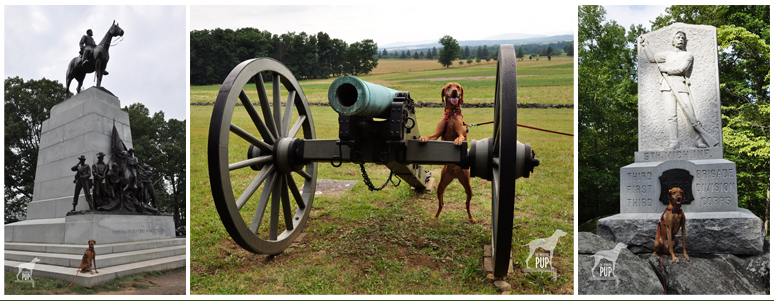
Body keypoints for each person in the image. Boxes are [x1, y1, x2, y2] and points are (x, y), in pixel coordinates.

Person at [639, 31, 716, 150]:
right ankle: (673, 142)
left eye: (682, 38)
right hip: (667, 87)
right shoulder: (668, 54)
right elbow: (652, 58)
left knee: (690, 114)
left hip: (680, 87)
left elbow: (682, 69)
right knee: (671, 116)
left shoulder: (688, 55)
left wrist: (666, 69)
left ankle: (699, 141)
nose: (680, 39)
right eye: (678, 37)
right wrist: (645, 46)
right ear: (673, 41)